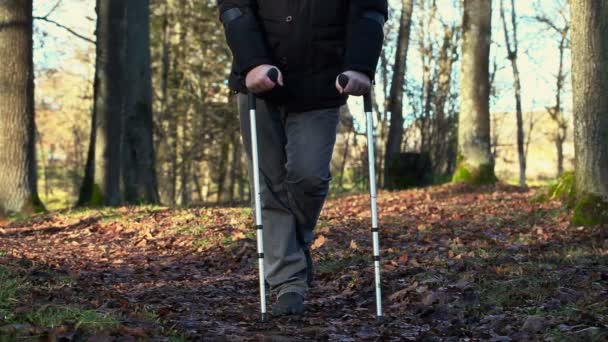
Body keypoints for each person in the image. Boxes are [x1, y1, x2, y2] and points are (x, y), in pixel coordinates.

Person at [217, 0, 387, 316]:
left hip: (322, 85)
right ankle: (288, 283)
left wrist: (360, 66)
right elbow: (235, 8)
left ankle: (291, 246)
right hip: (259, 84)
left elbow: (369, 11)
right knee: (268, 187)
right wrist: (252, 62)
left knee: (309, 176)